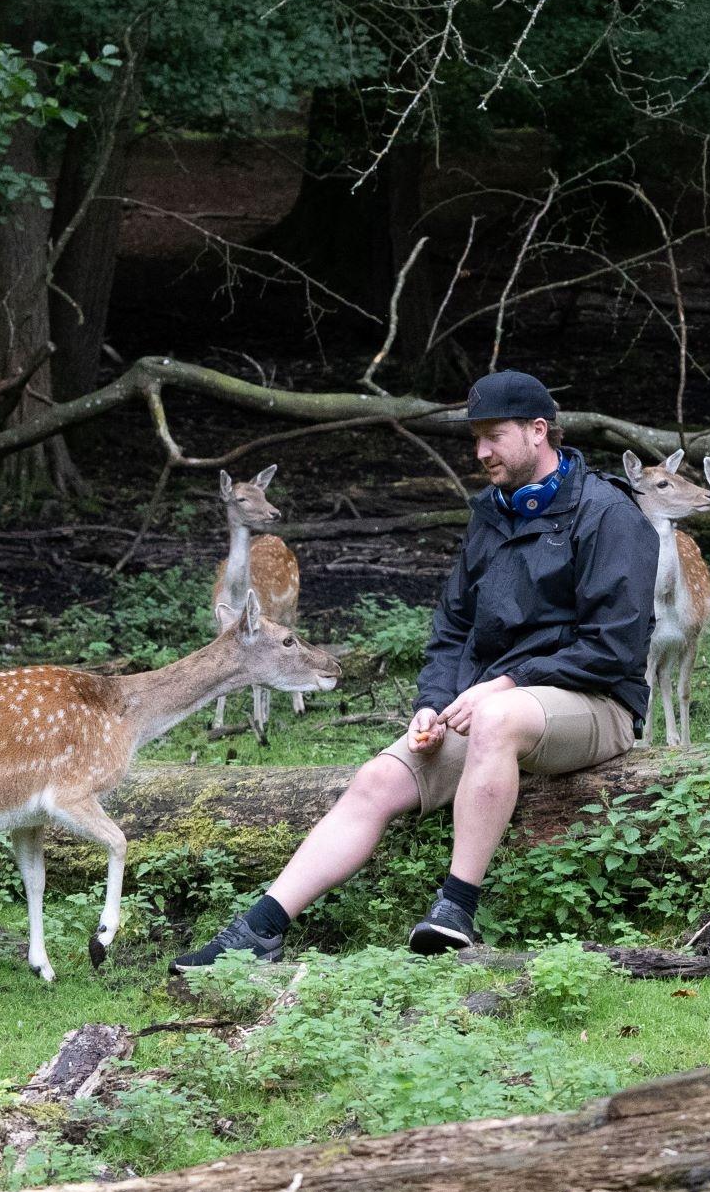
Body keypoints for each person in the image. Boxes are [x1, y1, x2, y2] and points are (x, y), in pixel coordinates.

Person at [172, 371, 658, 964]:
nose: (480, 452)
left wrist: (503, 684)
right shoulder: (491, 513)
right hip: (492, 707)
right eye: (475, 438)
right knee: (378, 778)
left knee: (498, 718)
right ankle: (256, 932)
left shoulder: (608, 512)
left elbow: (616, 647)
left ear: (538, 431)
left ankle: (456, 911)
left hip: (597, 702)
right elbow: (453, 628)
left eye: (493, 437)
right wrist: (432, 701)